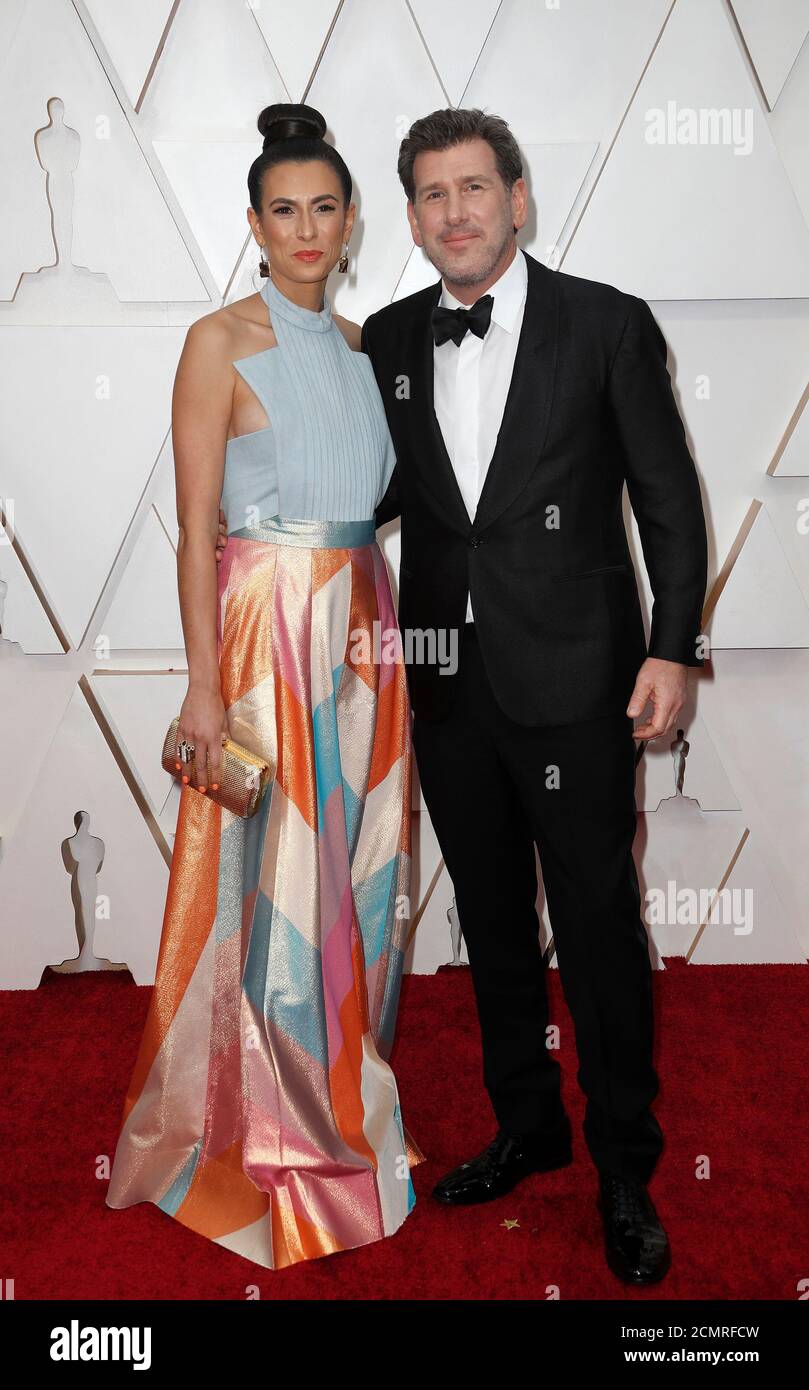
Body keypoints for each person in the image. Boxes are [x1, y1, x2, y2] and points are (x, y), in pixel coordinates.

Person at [360, 107, 708, 1286]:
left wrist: (671, 649)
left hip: (577, 680)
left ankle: (623, 1163)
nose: (452, 211)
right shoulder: (390, 338)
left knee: (598, 922)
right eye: (430, 194)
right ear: (412, 218)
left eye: (472, 187)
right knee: (491, 919)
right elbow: (380, 492)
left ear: (516, 198)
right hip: (448, 682)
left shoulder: (604, 322)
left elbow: (666, 498)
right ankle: (526, 1125)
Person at [106, 102, 424, 1272]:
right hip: (264, 632)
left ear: (350, 222)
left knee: (360, 870)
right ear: (252, 224)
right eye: (282, 210)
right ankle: (270, 1136)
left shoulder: (363, 348)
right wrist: (203, 688)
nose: (304, 229)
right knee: (274, 881)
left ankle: (340, 1093)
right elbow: (195, 529)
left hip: (365, 625)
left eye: (323, 208)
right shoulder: (215, 341)